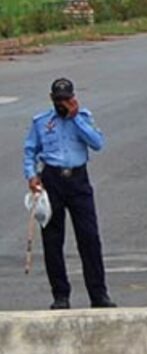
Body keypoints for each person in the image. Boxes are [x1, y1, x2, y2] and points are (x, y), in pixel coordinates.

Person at [22, 78, 115, 309]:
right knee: (53, 241)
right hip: (52, 179)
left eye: (67, 99)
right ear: (52, 100)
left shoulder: (83, 118)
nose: (64, 104)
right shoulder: (42, 122)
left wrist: (76, 120)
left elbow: (98, 143)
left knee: (89, 238)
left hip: (78, 180)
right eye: (59, 100)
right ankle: (60, 295)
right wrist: (31, 175)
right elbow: (30, 151)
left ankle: (98, 294)